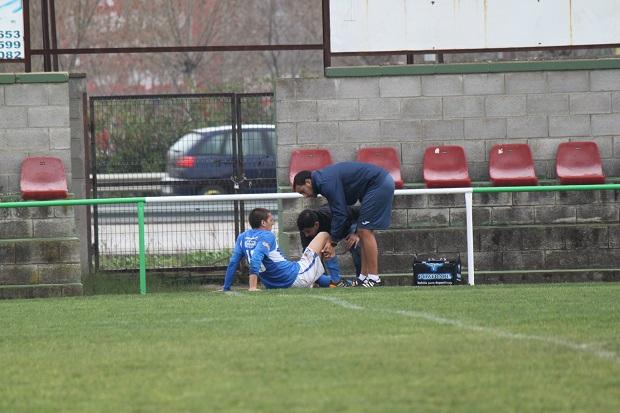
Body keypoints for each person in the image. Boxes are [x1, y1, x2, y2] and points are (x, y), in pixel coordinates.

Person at [293, 162, 395, 287]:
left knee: (365, 231)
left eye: (303, 191)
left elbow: (340, 213)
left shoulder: (325, 183)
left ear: (308, 182)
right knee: (363, 232)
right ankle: (363, 277)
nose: (305, 196)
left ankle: (374, 278)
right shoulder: (323, 180)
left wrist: (333, 241)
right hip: (376, 184)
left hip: (378, 184)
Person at [222, 207, 334, 291]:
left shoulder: (242, 237)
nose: (273, 222)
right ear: (263, 222)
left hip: (273, 285)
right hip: (295, 278)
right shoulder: (267, 235)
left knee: (314, 276)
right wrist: (252, 287)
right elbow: (256, 258)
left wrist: (226, 287)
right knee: (324, 235)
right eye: (271, 220)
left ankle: (340, 282)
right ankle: (337, 278)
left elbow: (233, 263)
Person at [296, 205, 362, 287]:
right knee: (316, 260)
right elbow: (311, 258)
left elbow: (361, 212)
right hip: (331, 234)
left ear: (316, 225)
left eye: (308, 232)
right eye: (304, 232)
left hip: (348, 226)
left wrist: (356, 232)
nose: (306, 235)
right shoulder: (305, 231)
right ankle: (333, 282)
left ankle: (361, 280)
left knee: (357, 245)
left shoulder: (332, 214)